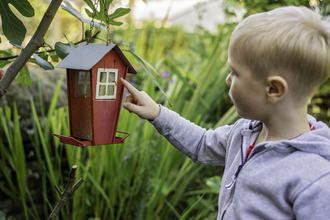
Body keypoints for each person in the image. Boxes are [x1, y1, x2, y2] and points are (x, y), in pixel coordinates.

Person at [120, 6, 330, 220]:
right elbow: (202, 143)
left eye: (235, 72)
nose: (228, 80)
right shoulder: (245, 133)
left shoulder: (314, 178)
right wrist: (157, 112)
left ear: (273, 89)